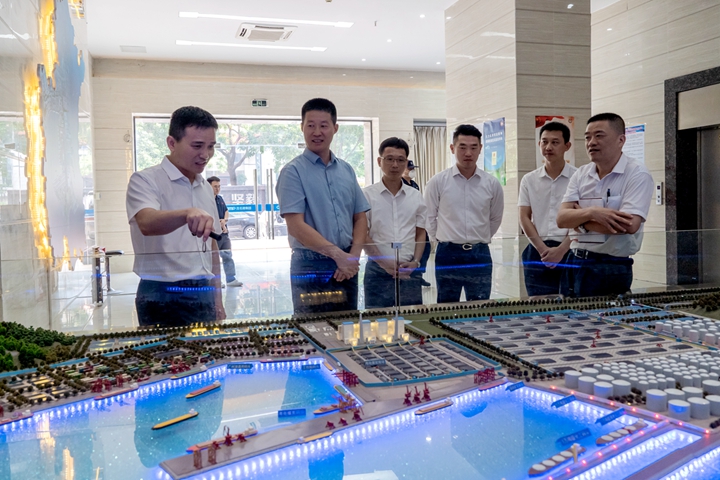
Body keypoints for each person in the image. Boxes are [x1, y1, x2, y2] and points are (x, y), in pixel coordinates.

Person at [126, 106, 225, 326]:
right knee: (163, 350)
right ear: (172, 143)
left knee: (208, 348)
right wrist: (186, 214)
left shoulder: (205, 187)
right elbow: (146, 222)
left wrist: (217, 298)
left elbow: (213, 247)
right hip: (162, 291)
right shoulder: (145, 180)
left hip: (204, 290)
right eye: (197, 146)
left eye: (211, 146)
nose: (205, 154)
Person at [276, 98, 370, 314]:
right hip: (311, 263)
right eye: (310, 125)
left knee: (347, 325)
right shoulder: (292, 172)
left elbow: (360, 217)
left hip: (347, 262)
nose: (317, 132)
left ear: (335, 128)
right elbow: (296, 226)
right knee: (313, 328)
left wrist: (353, 256)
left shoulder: (347, 170)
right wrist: (339, 256)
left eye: (323, 125)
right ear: (302, 127)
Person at [557, 112, 654, 297]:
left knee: (603, 316)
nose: (591, 142)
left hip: (611, 266)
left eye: (599, 136)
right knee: (569, 313)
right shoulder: (581, 174)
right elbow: (561, 219)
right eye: (587, 137)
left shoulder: (637, 174)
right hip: (574, 260)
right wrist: (593, 212)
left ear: (621, 140)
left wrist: (580, 222)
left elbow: (628, 225)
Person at [424, 124, 504, 303]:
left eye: (473, 147)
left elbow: (495, 218)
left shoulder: (492, 184)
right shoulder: (438, 182)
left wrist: (479, 238)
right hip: (448, 253)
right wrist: (441, 239)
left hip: (480, 253)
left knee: (480, 306)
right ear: (452, 148)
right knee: (446, 305)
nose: (468, 153)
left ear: (480, 149)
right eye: (462, 147)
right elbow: (429, 217)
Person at [363, 138, 427, 308]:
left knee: (412, 320)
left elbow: (420, 232)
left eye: (400, 160)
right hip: (377, 270)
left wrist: (416, 262)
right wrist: (383, 262)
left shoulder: (415, 196)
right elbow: (363, 234)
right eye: (389, 159)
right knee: (376, 320)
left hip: (409, 270)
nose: (395, 165)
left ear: (406, 162)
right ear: (379, 161)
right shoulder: (367, 196)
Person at [519, 122, 577, 296]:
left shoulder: (578, 177)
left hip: (569, 250)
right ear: (539, 144)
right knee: (539, 304)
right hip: (537, 250)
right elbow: (524, 217)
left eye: (555, 142)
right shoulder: (529, 179)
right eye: (544, 142)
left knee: (570, 302)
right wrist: (542, 249)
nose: (548, 147)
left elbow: (581, 219)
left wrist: (561, 250)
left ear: (567, 146)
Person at [207, 176, 243, 288]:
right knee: (214, 258)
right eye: (215, 186)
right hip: (213, 234)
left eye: (219, 186)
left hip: (224, 233)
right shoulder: (206, 200)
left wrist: (224, 220)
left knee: (227, 255)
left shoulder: (220, 198)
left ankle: (231, 279)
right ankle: (216, 280)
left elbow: (226, 211)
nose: (217, 189)